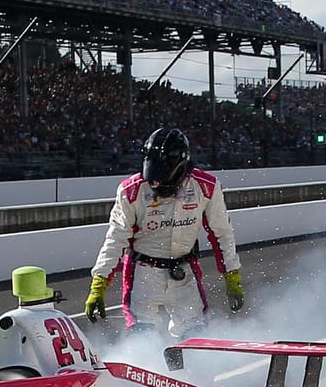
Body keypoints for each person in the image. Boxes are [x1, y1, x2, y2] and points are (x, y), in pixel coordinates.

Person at [84, 127, 245, 338]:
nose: (158, 186)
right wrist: (99, 283)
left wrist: (232, 276)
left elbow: (222, 233)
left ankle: (193, 370)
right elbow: (116, 237)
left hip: (185, 272)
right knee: (142, 337)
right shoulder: (131, 191)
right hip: (143, 274)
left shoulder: (206, 187)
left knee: (196, 337)